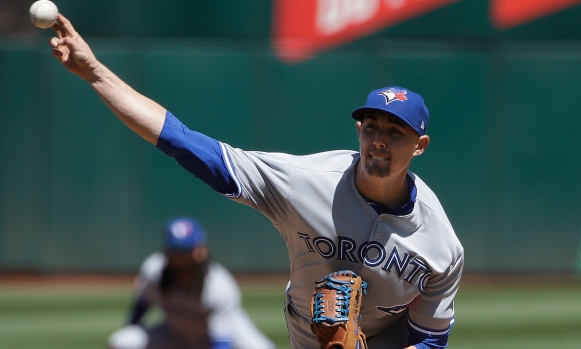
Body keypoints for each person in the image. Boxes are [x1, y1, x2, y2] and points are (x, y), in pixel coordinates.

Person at [50, 14, 464, 349]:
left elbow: (430, 339)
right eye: (371, 126)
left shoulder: (441, 244)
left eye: (395, 132)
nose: (378, 140)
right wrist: (96, 73)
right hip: (309, 331)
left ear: (420, 145)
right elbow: (183, 141)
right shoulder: (304, 182)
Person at [107, 217, 276, 349]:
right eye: (175, 251)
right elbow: (142, 304)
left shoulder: (219, 286)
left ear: (201, 251)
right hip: (174, 334)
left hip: (226, 333)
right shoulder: (153, 271)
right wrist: (131, 329)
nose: (180, 258)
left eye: (186, 251)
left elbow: (221, 342)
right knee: (122, 341)